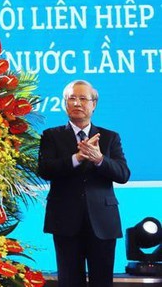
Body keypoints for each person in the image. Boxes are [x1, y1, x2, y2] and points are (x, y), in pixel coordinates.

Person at [38, 80, 131, 287]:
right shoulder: (51, 136)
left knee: (102, 281)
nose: (77, 103)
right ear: (64, 104)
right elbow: (45, 170)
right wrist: (77, 158)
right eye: (72, 98)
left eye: (82, 98)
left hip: (103, 221)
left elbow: (123, 174)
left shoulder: (109, 137)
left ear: (94, 104)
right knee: (70, 281)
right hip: (65, 220)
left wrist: (99, 159)